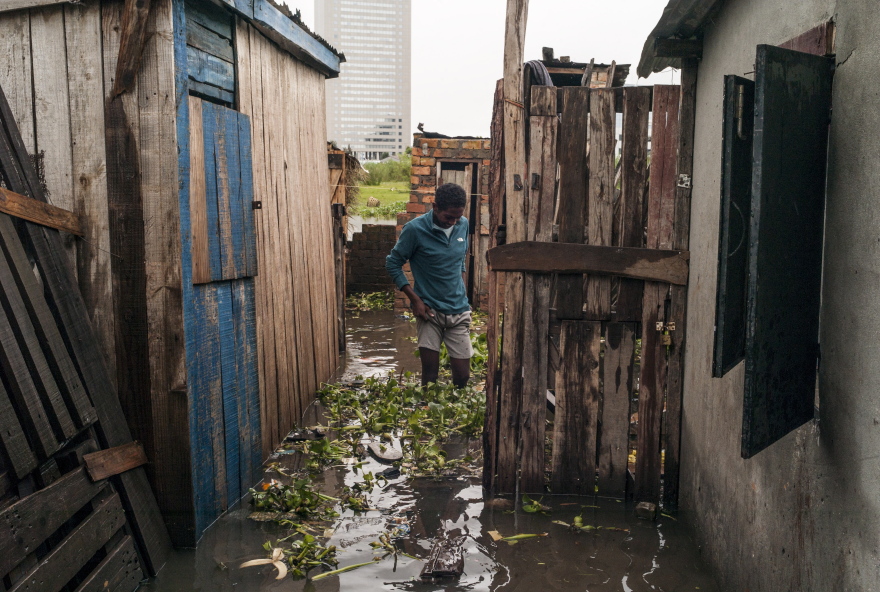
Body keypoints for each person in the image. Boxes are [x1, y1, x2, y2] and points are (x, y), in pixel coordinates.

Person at [386, 183, 472, 387]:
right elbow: (392, 262)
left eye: (457, 217)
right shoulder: (415, 230)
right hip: (429, 312)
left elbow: (460, 259)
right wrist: (415, 300)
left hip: (459, 311)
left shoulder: (463, 224)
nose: (453, 221)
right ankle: (428, 412)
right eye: (448, 217)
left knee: (462, 377)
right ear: (435, 207)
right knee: (430, 378)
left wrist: (463, 292)